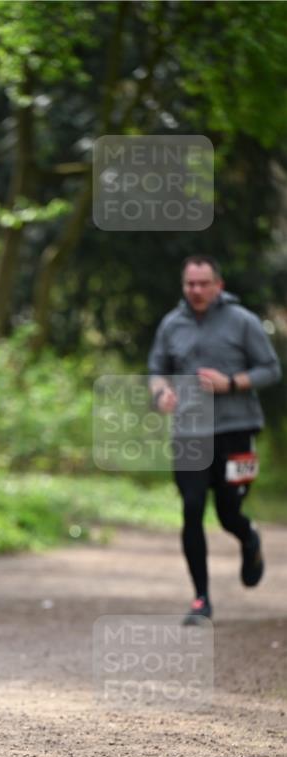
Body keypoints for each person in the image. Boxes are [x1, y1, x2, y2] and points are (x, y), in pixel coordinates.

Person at [148, 255, 281, 625]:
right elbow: (157, 371)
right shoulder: (171, 325)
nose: (196, 290)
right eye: (190, 284)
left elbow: (271, 369)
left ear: (218, 285)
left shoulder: (243, 322)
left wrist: (232, 383)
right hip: (189, 430)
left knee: (228, 512)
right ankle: (200, 600)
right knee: (191, 509)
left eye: (203, 283)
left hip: (237, 428)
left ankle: (248, 537)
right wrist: (161, 395)